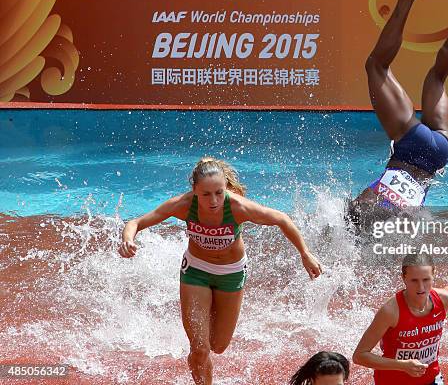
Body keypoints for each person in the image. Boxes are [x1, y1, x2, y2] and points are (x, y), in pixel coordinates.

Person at [119, 156, 322, 385]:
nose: (214, 200)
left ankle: (204, 337)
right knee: (200, 348)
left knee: (218, 345)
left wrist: (305, 253)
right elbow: (136, 222)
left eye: (219, 192)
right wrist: (128, 240)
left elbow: (282, 219)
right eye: (206, 194)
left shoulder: (238, 207)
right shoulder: (183, 205)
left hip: (231, 273)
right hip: (196, 271)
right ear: (194, 190)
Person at [348, 0, 448, 220]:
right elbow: (356, 212)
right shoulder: (368, 205)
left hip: (442, 150)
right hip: (412, 146)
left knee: (438, 77)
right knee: (376, 67)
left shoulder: (401, 210)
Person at [353, 253, 448, 385]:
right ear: (404, 278)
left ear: (434, 275)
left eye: (426, 280)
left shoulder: (444, 298)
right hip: (393, 381)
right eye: (414, 280)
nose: (421, 288)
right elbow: (360, 355)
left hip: (431, 378)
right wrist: (402, 365)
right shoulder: (391, 311)